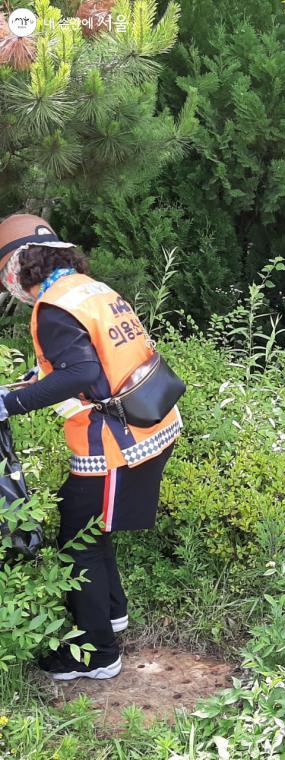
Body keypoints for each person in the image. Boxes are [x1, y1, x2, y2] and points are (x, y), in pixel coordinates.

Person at [0, 214, 182, 680]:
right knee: (90, 525)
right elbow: (95, 360)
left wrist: (10, 403)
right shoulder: (87, 288)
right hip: (151, 420)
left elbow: (79, 375)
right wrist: (33, 382)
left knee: (77, 540)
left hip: (117, 443)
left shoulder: (53, 308)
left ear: (17, 265)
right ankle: (111, 612)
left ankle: (98, 654)